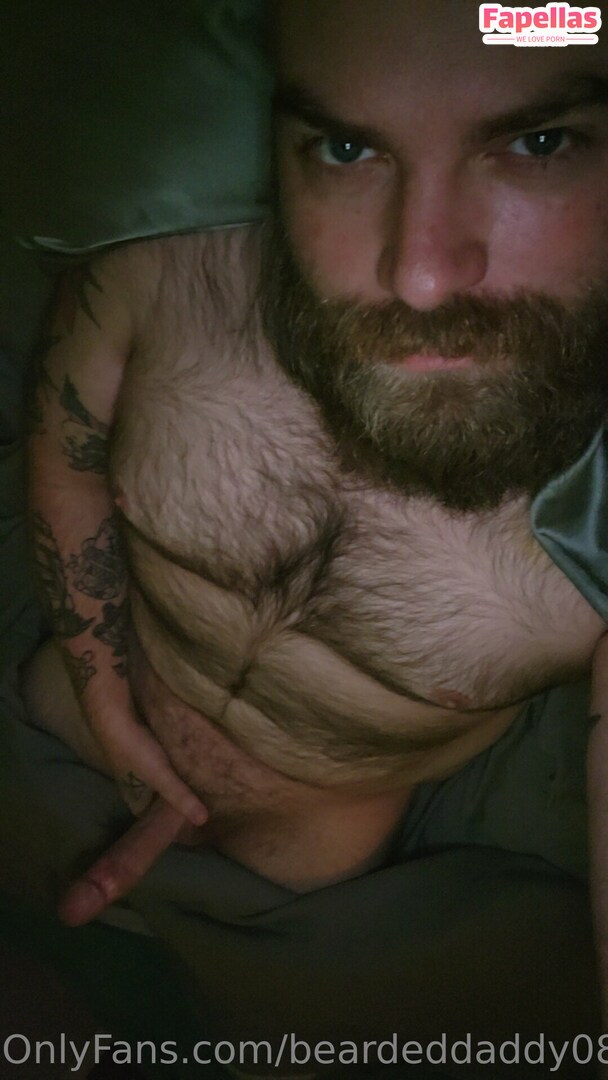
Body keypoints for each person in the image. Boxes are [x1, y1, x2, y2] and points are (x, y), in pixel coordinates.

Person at [15, 0, 608, 1063]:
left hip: (318, 898)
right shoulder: (164, 274)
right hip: (48, 721)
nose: (418, 273)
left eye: (537, 143)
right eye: (345, 149)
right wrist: (101, 685)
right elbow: (68, 456)